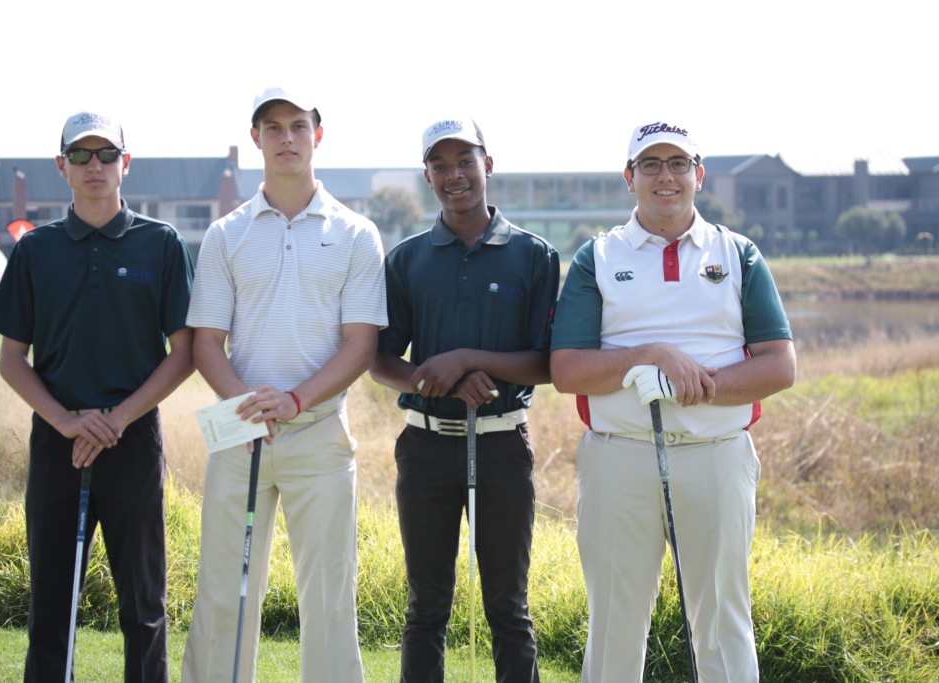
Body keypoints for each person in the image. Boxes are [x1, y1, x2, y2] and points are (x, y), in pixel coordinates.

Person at [550, 121, 796, 682]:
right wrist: (651, 356)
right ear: (629, 177)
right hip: (619, 455)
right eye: (651, 165)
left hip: (716, 454)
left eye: (679, 163)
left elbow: (779, 366)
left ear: (699, 174)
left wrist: (695, 382)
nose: (666, 176)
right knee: (614, 624)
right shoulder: (598, 256)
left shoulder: (737, 253)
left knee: (723, 622)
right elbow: (566, 370)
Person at [181, 85, 387, 683]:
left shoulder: (356, 233)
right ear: (256, 138)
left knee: (328, 598)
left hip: (319, 432)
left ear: (317, 134)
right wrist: (247, 404)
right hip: (239, 431)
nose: (287, 138)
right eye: (273, 127)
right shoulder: (226, 234)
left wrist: (294, 400)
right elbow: (206, 342)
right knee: (223, 590)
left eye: (298, 125)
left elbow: (360, 344)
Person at [0, 111, 195, 682]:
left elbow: (183, 353)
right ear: (62, 166)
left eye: (106, 154)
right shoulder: (36, 250)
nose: (94, 166)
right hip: (58, 443)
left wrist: (117, 419)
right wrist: (66, 421)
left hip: (133, 441)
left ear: (126, 163)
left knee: (144, 606)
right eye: (80, 155)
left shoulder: (161, 243)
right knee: (52, 607)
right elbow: (11, 359)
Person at [370, 116, 560, 683]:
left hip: (502, 447)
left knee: (508, 607)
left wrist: (467, 359)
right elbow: (381, 361)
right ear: (427, 176)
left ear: (488, 165)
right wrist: (445, 381)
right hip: (426, 448)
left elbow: (548, 363)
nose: (454, 174)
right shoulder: (406, 259)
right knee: (426, 607)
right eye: (440, 164)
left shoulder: (534, 255)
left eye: (465, 161)